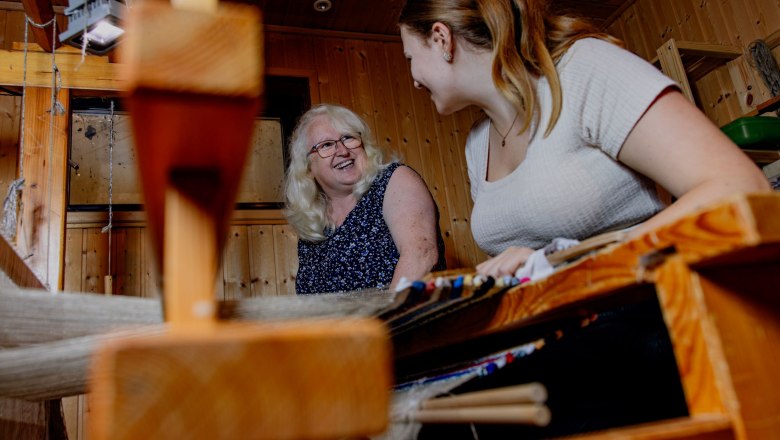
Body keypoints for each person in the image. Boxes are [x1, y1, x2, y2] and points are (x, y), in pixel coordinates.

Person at [398, 0, 771, 278]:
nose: (413, 79)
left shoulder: (581, 70)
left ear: (441, 39)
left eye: (410, 57)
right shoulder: (477, 146)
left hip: (652, 298)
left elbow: (738, 187)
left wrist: (560, 263)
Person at [284, 103, 446, 294]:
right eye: (326, 145)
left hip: (399, 321)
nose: (343, 151)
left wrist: (386, 321)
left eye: (348, 138)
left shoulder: (393, 180)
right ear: (308, 167)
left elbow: (421, 254)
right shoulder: (315, 225)